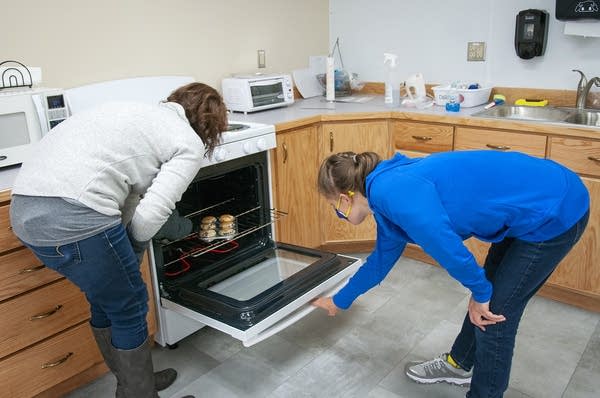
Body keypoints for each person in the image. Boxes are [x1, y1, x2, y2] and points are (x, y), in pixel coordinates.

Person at [9, 82, 228, 398]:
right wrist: (137, 248)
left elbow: (126, 197)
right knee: (130, 304)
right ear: (210, 127)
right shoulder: (187, 142)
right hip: (75, 215)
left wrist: (126, 253)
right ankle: (137, 394)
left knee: (107, 298)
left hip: (26, 212)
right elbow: (151, 215)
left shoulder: (139, 114)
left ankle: (135, 384)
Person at [312, 150, 589, 398]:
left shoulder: (392, 193)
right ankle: (458, 365)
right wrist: (339, 300)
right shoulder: (384, 192)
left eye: (332, 204)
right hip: (531, 205)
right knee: (487, 300)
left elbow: (448, 249)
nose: (336, 212)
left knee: (494, 313)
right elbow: (379, 261)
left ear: (346, 198)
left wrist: (481, 292)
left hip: (556, 207)